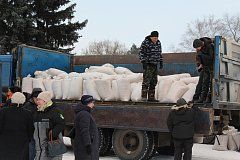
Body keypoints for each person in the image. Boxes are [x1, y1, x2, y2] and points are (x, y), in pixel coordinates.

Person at [0, 92, 34, 160]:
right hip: (22, 143)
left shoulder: (3, 111)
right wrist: (29, 139)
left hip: (5, 142)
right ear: (23, 100)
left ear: (12, 100)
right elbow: (31, 129)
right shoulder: (28, 113)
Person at [33, 91, 65, 160]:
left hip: (50, 142)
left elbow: (61, 123)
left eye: (39, 100)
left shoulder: (55, 111)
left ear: (45, 101)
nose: (37, 101)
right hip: (39, 143)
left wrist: (53, 133)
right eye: (37, 99)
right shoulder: (38, 111)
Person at [139, 31, 163, 101]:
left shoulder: (158, 43)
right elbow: (141, 53)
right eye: (154, 38)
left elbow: (159, 53)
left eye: (157, 38)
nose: (156, 40)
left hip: (155, 64)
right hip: (148, 64)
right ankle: (143, 97)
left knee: (154, 81)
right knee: (146, 81)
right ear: (151, 37)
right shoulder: (146, 42)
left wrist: (161, 61)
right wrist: (143, 62)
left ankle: (151, 98)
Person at [74, 95, 99, 160]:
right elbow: (84, 131)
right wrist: (88, 145)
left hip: (83, 146)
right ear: (87, 103)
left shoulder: (83, 113)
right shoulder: (84, 114)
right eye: (92, 103)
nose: (93, 105)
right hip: (84, 148)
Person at [192, 37, 214, 103]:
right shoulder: (199, 50)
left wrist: (202, 55)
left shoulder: (209, 46)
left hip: (210, 67)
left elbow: (210, 58)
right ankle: (198, 98)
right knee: (201, 83)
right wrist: (199, 65)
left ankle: (207, 99)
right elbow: (198, 58)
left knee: (208, 83)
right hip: (204, 67)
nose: (197, 49)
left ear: (200, 45)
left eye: (197, 48)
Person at [23, 88, 43, 160]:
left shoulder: (44, 105)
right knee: (32, 150)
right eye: (35, 98)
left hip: (41, 133)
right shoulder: (27, 106)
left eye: (39, 98)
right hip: (32, 132)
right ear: (32, 97)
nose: (37, 100)